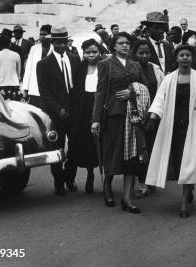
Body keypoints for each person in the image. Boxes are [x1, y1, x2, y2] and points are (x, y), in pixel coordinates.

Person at [146, 44, 196, 218]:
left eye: (188, 55)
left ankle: (184, 201)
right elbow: (160, 99)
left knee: (190, 159)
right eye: (181, 55)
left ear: (192, 58)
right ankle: (188, 188)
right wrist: (153, 117)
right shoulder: (169, 78)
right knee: (179, 160)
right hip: (173, 125)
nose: (185, 58)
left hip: (194, 124)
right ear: (176, 58)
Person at [91, 32, 149, 213]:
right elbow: (100, 92)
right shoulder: (105, 65)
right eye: (121, 43)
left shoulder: (136, 65)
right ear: (114, 46)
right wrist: (96, 119)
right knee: (112, 152)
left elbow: (145, 87)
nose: (125, 46)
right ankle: (108, 188)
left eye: (127, 43)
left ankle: (126, 198)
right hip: (114, 115)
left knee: (131, 157)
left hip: (133, 116)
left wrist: (132, 92)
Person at [36, 26, 80, 195]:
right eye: (58, 42)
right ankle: (58, 181)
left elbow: (79, 87)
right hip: (56, 114)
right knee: (57, 149)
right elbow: (44, 92)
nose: (62, 46)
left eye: (64, 42)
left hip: (74, 113)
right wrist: (58, 109)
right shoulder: (43, 64)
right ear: (52, 42)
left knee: (75, 148)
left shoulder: (75, 59)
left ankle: (70, 178)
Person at [69, 39, 103, 194]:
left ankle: (100, 176)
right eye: (88, 52)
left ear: (99, 52)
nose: (91, 55)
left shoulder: (104, 66)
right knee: (83, 144)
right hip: (83, 109)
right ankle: (85, 174)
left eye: (94, 52)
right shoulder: (80, 67)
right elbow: (75, 91)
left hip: (99, 106)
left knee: (99, 144)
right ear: (83, 53)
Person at [131, 39, 165, 197]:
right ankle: (141, 181)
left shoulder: (156, 69)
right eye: (141, 53)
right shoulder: (130, 69)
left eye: (147, 53)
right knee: (139, 150)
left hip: (153, 115)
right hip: (136, 116)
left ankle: (151, 179)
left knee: (152, 147)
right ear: (135, 54)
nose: (144, 56)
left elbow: (162, 91)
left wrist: (154, 114)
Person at [22, 25, 53, 108]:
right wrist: (25, 88)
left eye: (45, 34)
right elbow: (28, 69)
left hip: (49, 89)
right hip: (34, 88)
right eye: (41, 34)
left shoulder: (54, 49)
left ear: (50, 35)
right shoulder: (34, 48)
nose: (42, 36)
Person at [0, 34, 22, 101]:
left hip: (0, 85)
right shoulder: (16, 55)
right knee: (15, 107)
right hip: (14, 85)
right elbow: (18, 73)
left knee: (2, 108)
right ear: (9, 44)